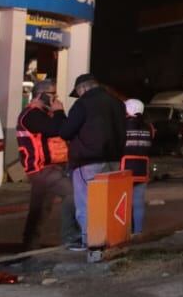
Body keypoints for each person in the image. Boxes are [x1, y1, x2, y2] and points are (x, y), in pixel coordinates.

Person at [57, 73, 127, 251]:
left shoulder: (82, 104)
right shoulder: (117, 103)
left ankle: (91, 242)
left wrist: (59, 113)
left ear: (83, 89)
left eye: (78, 92)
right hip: (113, 160)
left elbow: (66, 132)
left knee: (86, 203)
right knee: (108, 203)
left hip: (87, 161)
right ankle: (110, 239)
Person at [16, 79, 78, 250]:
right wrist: (59, 112)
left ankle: (29, 246)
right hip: (42, 168)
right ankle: (71, 237)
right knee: (72, 194)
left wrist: (58, 113)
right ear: (41, 95)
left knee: (40, 209)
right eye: (52, 94)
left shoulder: (44, 114)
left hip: (49, 168)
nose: (55, 98)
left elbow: (64, 129)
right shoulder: (31, 114)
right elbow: (54, 129)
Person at [121, 99, 154, 236]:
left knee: (124, 202)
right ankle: (138, 232)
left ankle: (124, 232)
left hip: (124, 169)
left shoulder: (122, 125)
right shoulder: (148, 127)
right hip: (142, 169)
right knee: (138, 202)